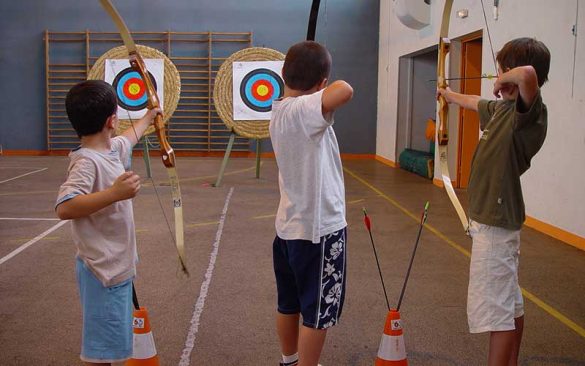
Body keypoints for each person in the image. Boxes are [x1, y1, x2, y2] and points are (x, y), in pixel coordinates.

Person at [437, 37, 550, 366]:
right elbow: (475, 102)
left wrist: (504, 78)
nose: (498, 78)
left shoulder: (528, 114)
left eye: (501, 70)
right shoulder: (502, 110)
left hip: (496, 227)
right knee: (510, 303)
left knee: (496, 312)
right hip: (496, 224)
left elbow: (527, 74)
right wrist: (448, 95)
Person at [55, 80, 159, 365]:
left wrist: (150, 116)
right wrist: (115, 194)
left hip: (115, 267)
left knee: (112, 343)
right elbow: (65, 207)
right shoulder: (87, 161)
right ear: (111, 119)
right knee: (100, 349)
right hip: (102, 270)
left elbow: (129, 138)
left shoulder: (110, 149)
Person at [269, 40, 353, 366]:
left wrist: (314, 88)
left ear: (282, 74)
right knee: (318, 313)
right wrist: (322, 90)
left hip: (289, 229)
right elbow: (344, 90)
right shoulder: (304, 111)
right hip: (318, 232)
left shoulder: (280, 109)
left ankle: (289, 361)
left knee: (288, 304)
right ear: (320, 84)